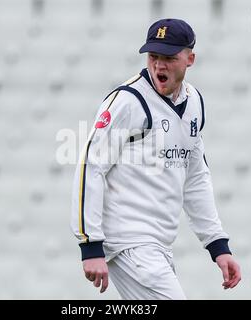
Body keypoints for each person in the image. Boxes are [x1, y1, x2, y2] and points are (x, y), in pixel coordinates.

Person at [70, 18, 241, 299]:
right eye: (153, 57)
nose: (159, 66)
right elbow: (91, 166)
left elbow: (196, 177)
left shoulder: (195, 102)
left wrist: (218, 245)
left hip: (158, 246)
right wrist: (90, 245)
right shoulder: (128, 100)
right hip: (129, 242)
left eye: (169, 58)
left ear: (190, 59)